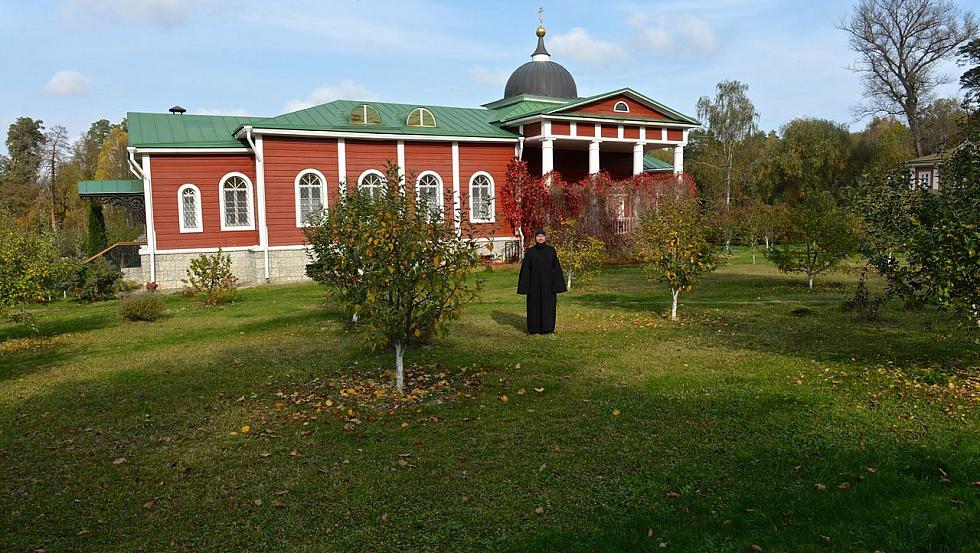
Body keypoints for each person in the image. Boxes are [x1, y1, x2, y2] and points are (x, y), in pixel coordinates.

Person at [517, 228, 567, 334]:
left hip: (548, 285)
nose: (540, 238)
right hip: (533, 285)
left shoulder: (551, 251)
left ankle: (547, 328)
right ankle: (533, 328)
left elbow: (556, 268)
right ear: (535, 238)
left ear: (545, 238)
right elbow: (525, 270)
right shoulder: (530, 252)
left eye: (542, 236)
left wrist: (558, 285)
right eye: (538, 236)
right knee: (533, 306)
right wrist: (524, 287)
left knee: (548, 306)